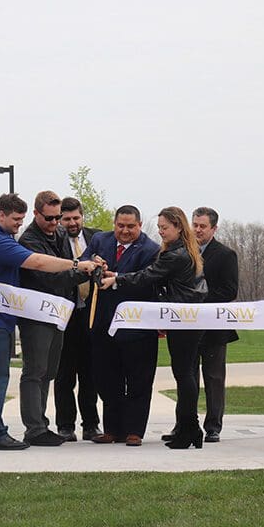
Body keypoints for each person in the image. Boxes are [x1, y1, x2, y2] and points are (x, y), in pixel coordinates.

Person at [0, 193, 98, 450]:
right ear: (0, 215)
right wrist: (77, 265)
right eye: (15, 219)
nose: (19, 224)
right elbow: (37, 262)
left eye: (21, 219)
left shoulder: (4, 237)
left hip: (2, 316)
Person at [100, 206, 208, 449]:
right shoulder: (184, 250)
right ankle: (188, 427)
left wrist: (116, 279)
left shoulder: (175, 255)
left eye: (165, 228)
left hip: (182, 319)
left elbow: (147, 276)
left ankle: (189, 428)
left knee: (184, 374)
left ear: (178, 227)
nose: (160, 232)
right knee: (186, 372)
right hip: (186, 318)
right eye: (158, 227)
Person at [17, 191, 91, 446]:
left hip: (58, 312)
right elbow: (51, 276)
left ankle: (41, 425)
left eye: (57, 217)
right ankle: (34, 428)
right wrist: (82, 271)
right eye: (49, 218)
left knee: (49, 371)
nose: (55, 223)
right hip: (37, 314)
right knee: (34, 371)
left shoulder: (58, 233)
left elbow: (68, 265)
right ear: (36, 214)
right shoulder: (29, 241)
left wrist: (85, 266)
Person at [83, 205, 159, 446]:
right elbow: (81, 261)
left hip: (137, 327)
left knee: (138, 379)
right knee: (106, 378)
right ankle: (112, 429)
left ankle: (134, 430)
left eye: (130, 226)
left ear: (139, 225)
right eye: (120, 226)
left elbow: (146, 281)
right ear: (114, 224)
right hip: (103, 323)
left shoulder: (151, 250)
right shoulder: (99, 240)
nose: (125, 231)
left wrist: (114, 278)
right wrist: (92, 263)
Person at [187, 207, 239, 443]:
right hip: (187, 326)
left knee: (214, 378)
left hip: (215, 327)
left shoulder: (226, 255)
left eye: (202, 226)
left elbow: (229, 291)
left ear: (214, 228)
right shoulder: (183, 251)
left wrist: (197, 299)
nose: (197, 229)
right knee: (187, 377)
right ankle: (186, 424)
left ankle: (213, 426)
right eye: (195, 225)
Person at [54, 196, 102, 442]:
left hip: (91, 314)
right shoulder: (56, 241)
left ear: (82, 216)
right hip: (65, 314)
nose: (72, 223)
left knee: (89, 373)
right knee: (64, 373)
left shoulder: (98, 238)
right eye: (66, 219)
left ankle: (91, 425)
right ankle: (65, 425)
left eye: (75, 218)